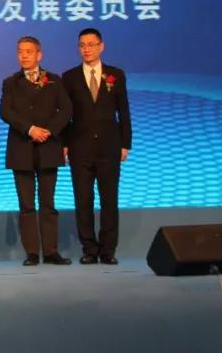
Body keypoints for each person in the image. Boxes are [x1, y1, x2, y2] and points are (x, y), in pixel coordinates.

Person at [0, 36, 72, 266]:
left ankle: (51, 251)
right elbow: (6, 112)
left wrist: (48, 131)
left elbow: (66, 109)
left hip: (49, 147)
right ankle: (31, 252)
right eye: (20, 51)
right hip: (21, 148)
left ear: (39, 55)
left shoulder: (54, 80)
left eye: (29, 51)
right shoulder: (11, 82)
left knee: (48, 203)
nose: (24, 55)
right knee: (26, 204)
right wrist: (30, 129)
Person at [62, 27, 132, 265]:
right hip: (79, 147)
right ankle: (89, 249)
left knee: (109, 200)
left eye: (91, 44)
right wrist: (64, 144)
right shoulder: (69, 77)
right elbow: (65, 115)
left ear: (101, 46)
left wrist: (125, 143)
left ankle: (108, 250)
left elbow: (124, 111)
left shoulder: (115, 75)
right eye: (82, 45)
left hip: (109, 147)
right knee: (83, 200)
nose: (86, 49)